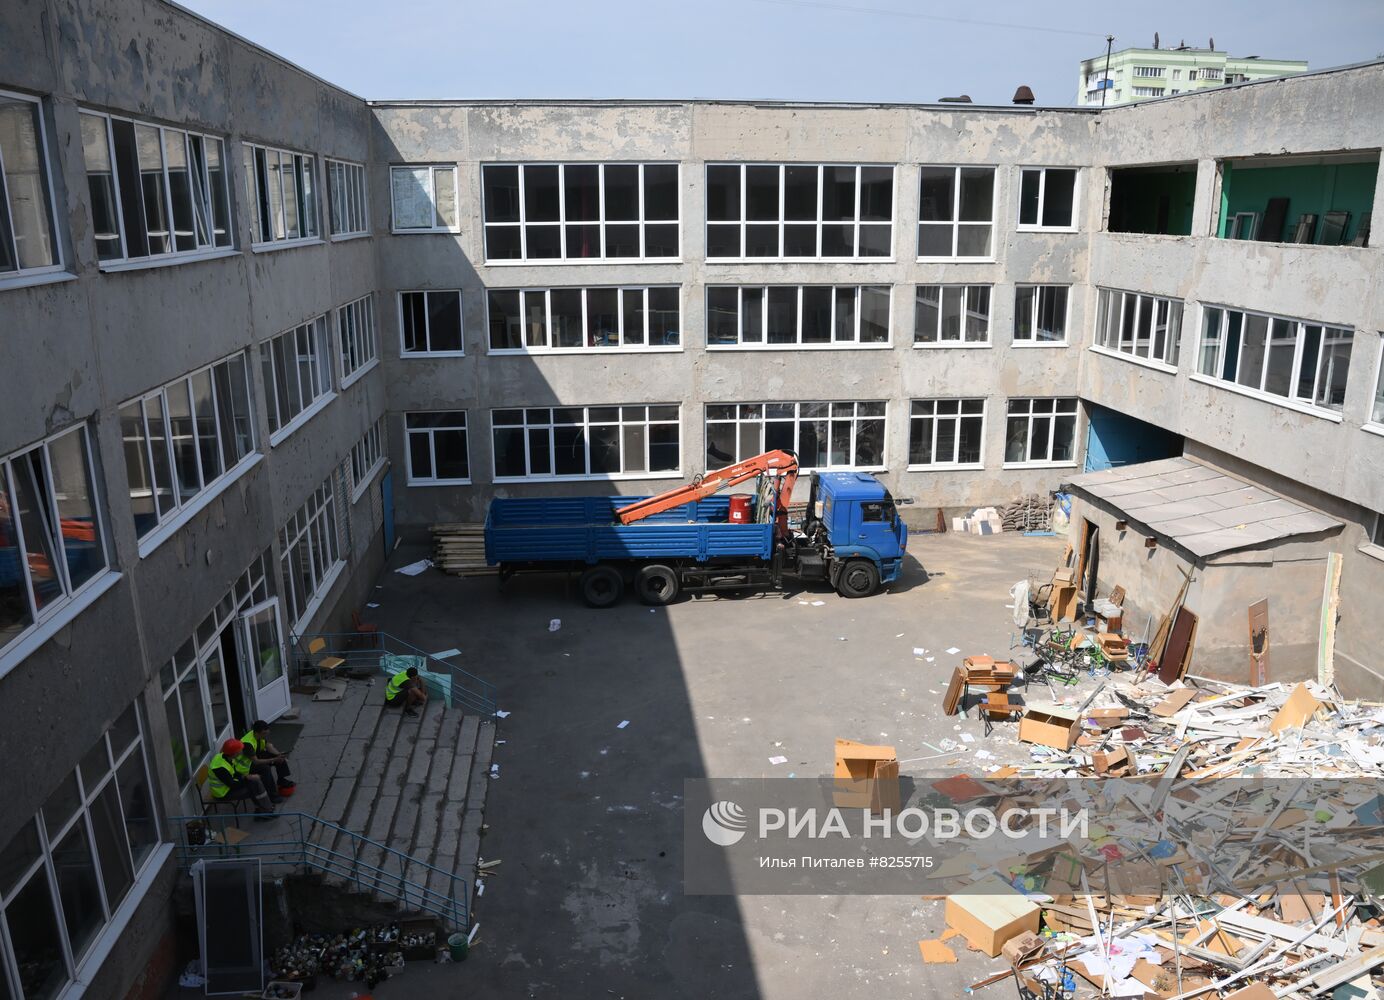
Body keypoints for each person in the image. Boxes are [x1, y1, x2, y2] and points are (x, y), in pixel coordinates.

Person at [206, 739, 275, 821]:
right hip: (223, 793)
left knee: (254, 782)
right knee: (254, 786)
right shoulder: (220, 768)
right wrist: (247, 778)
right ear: (235, 753)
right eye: (240, 750)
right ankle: (265, 811)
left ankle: (265, 809)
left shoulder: (224, 757)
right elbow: (233, 785)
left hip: (228, 787)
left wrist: (246, 776)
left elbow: (234, 772)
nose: (242, 750)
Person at [242, 720, 295, 797]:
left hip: (257, 755)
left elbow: (268, 745)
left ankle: (281, 780)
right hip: (247, 765)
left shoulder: (260, 735)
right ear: (257, 733)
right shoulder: (247, 743)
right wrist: (274, 759)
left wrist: (278, 755)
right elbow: (256, 762)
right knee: (265, 769)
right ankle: (271, 794)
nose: (266, 736)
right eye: (264, 734)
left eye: (267, 733)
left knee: (280, 759)